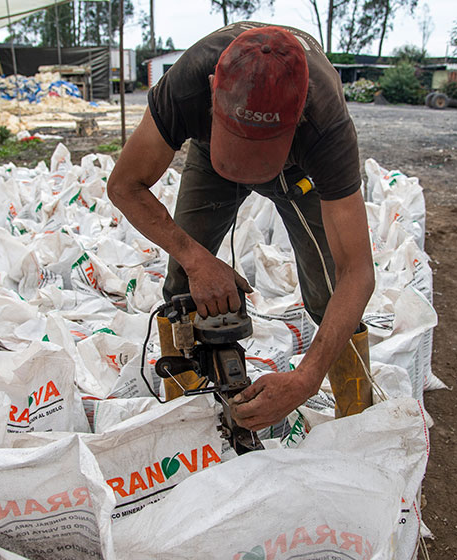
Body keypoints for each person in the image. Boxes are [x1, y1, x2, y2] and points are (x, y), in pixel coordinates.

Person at [107, 22, 375, 431]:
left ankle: (356, 430)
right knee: (183, 283)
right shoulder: (187, 84)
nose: (248, 172)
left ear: (300, 115)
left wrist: (305, 379)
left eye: (258, 153)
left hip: (296, 172)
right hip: (211, 151)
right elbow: (124, 185)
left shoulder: (326, 126)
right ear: (213, 89)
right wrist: (197, 261)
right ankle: (189, 417)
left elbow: (357, 272)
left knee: (330, 293)